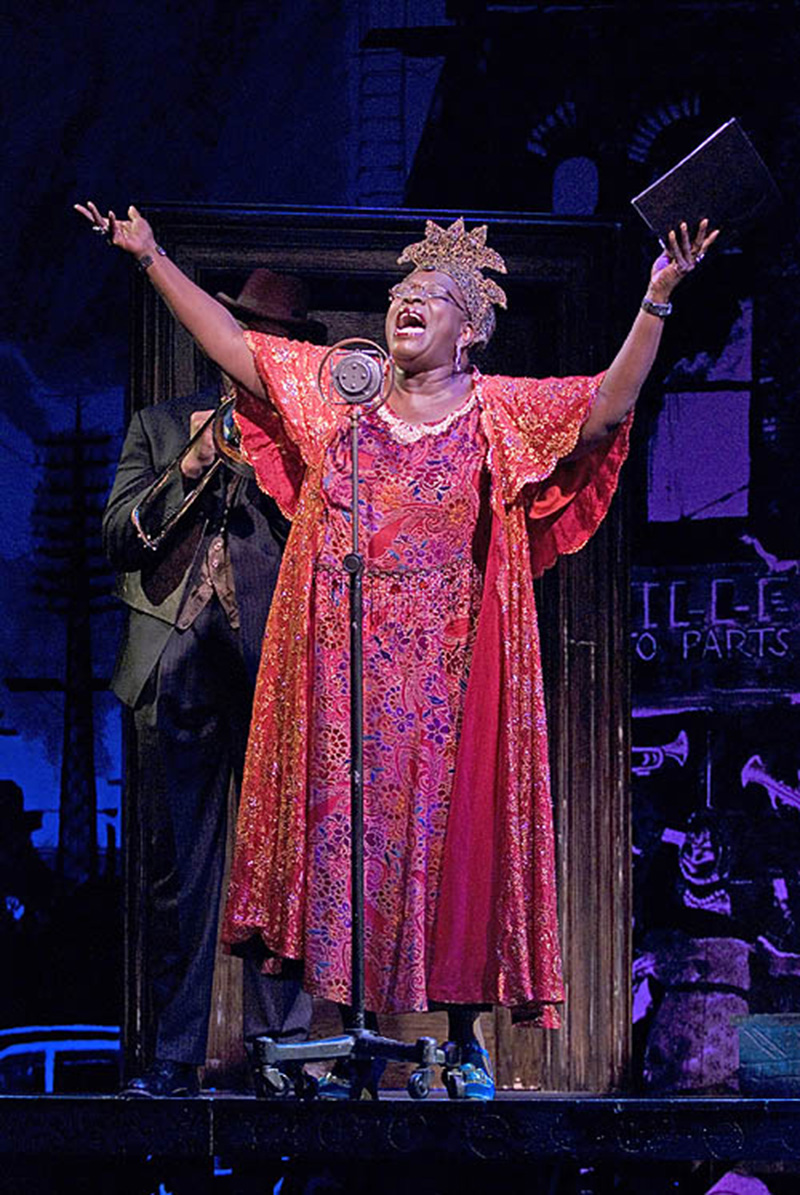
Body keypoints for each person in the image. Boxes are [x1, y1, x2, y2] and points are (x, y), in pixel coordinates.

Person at [77, 200, 717, 1099]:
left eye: (431, 296)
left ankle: (463, 1042)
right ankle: (318, 1044)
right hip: (344, 674)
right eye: (400, 292)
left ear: (470, 330)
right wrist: (150, 258)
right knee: (336, 841)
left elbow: (605, 412)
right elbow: (234, 347)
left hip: (450, 669)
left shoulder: (499, 409)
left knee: (455, 843)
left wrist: (655, 300)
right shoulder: (344, 392)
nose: (406, 303)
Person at [101, 267, 325, 1097]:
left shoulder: (315, 437)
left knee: (281, 872)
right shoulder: (161, 426)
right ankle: (173, 1054)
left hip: (276, 672)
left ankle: (280, 1053)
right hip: (176, 664)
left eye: (278, 340)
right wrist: (195, 459)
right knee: (179, 875)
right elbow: (120, 540)